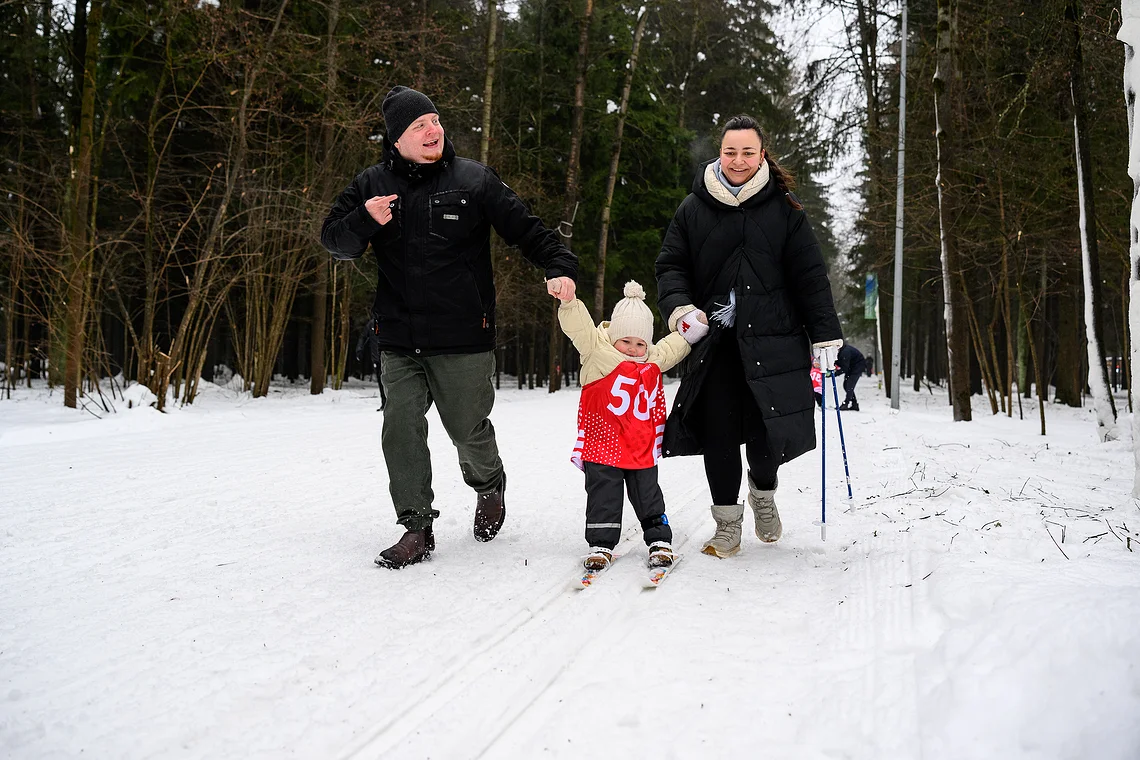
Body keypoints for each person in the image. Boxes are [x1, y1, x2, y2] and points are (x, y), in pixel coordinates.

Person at [320, 85, 578, 569]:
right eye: (419, 125)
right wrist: (363, 219)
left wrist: (559, 266)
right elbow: (334, 241)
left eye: (435, 121)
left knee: (466, 429)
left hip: (463, 336)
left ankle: (489, 484)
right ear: (396, 138)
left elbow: (530, 230)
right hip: (398, 337)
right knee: (400, 428)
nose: (433, 130)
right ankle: (416, 527)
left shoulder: (473, 180)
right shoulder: (372, 185)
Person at [655, 114, 844, 559]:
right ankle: (726, 526)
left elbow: (811, 277)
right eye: (729, 151)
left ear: (762, 155)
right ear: (719, 153)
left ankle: (763, 495)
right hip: (715, 342)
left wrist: (825, 335)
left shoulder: (785, 209)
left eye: (748, 152)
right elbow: (670, 266)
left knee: (765, 435)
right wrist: (682, 309)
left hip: (774, 340)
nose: (738, 160)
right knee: (717, 431)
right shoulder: (693, 208)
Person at [554, 281, 706, 571]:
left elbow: (672, 346)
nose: (634, 349)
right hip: (603, 443)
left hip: (639, 443)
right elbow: (580, 327)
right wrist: (570, 302)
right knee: (603, 493)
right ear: (613, 337)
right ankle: (601, 543)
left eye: (640, 343)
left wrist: (692, 327)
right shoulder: (596, 352)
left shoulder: (652, 359)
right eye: (626, 341)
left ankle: (659, 539)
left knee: (648, 494)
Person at [832, 343, 867, 411]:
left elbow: (844, 367)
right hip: (852, 367)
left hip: (857, 367)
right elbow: (841, 362)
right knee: (846, 385)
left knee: (849, 385)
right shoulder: (842, 351)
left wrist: (834, 374)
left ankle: (846, 403)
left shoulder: (845, 352)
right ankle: (854, 404)